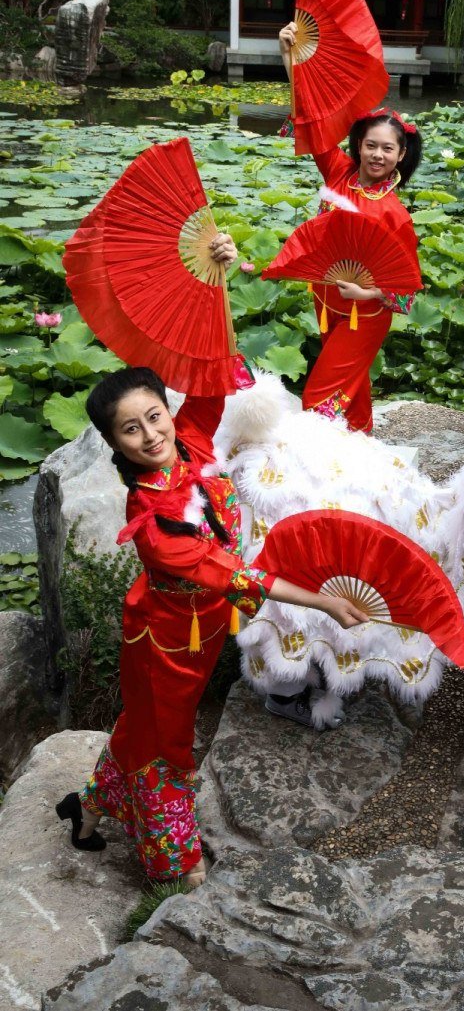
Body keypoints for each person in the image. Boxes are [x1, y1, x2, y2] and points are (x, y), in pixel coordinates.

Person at [56, 234, 368, 886]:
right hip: (166, 637)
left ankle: (89, 809)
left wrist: (218, 281)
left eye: (152, 416)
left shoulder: (193, 442)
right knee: (167, 741)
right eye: (131, 430)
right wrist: (322, 599)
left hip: (201, 629)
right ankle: (176, 864)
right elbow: (239, 574)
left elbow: (211, 372)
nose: (151, 434)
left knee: (144, 731)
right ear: (115, 443)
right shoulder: (154, 527)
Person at [277, 21, 423, 433]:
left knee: (319, 397)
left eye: (387, 149)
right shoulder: (338, 174)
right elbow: (312, 123)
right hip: (325, 301)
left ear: (400, 155)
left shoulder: (396, 214)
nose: (377, 155)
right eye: (370, 145)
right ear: (358, 144)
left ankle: (313, 470)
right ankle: (363, 460)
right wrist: (290, 60)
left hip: (366, 312)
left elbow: (407, 289)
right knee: (352, 394)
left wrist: (371, 291)